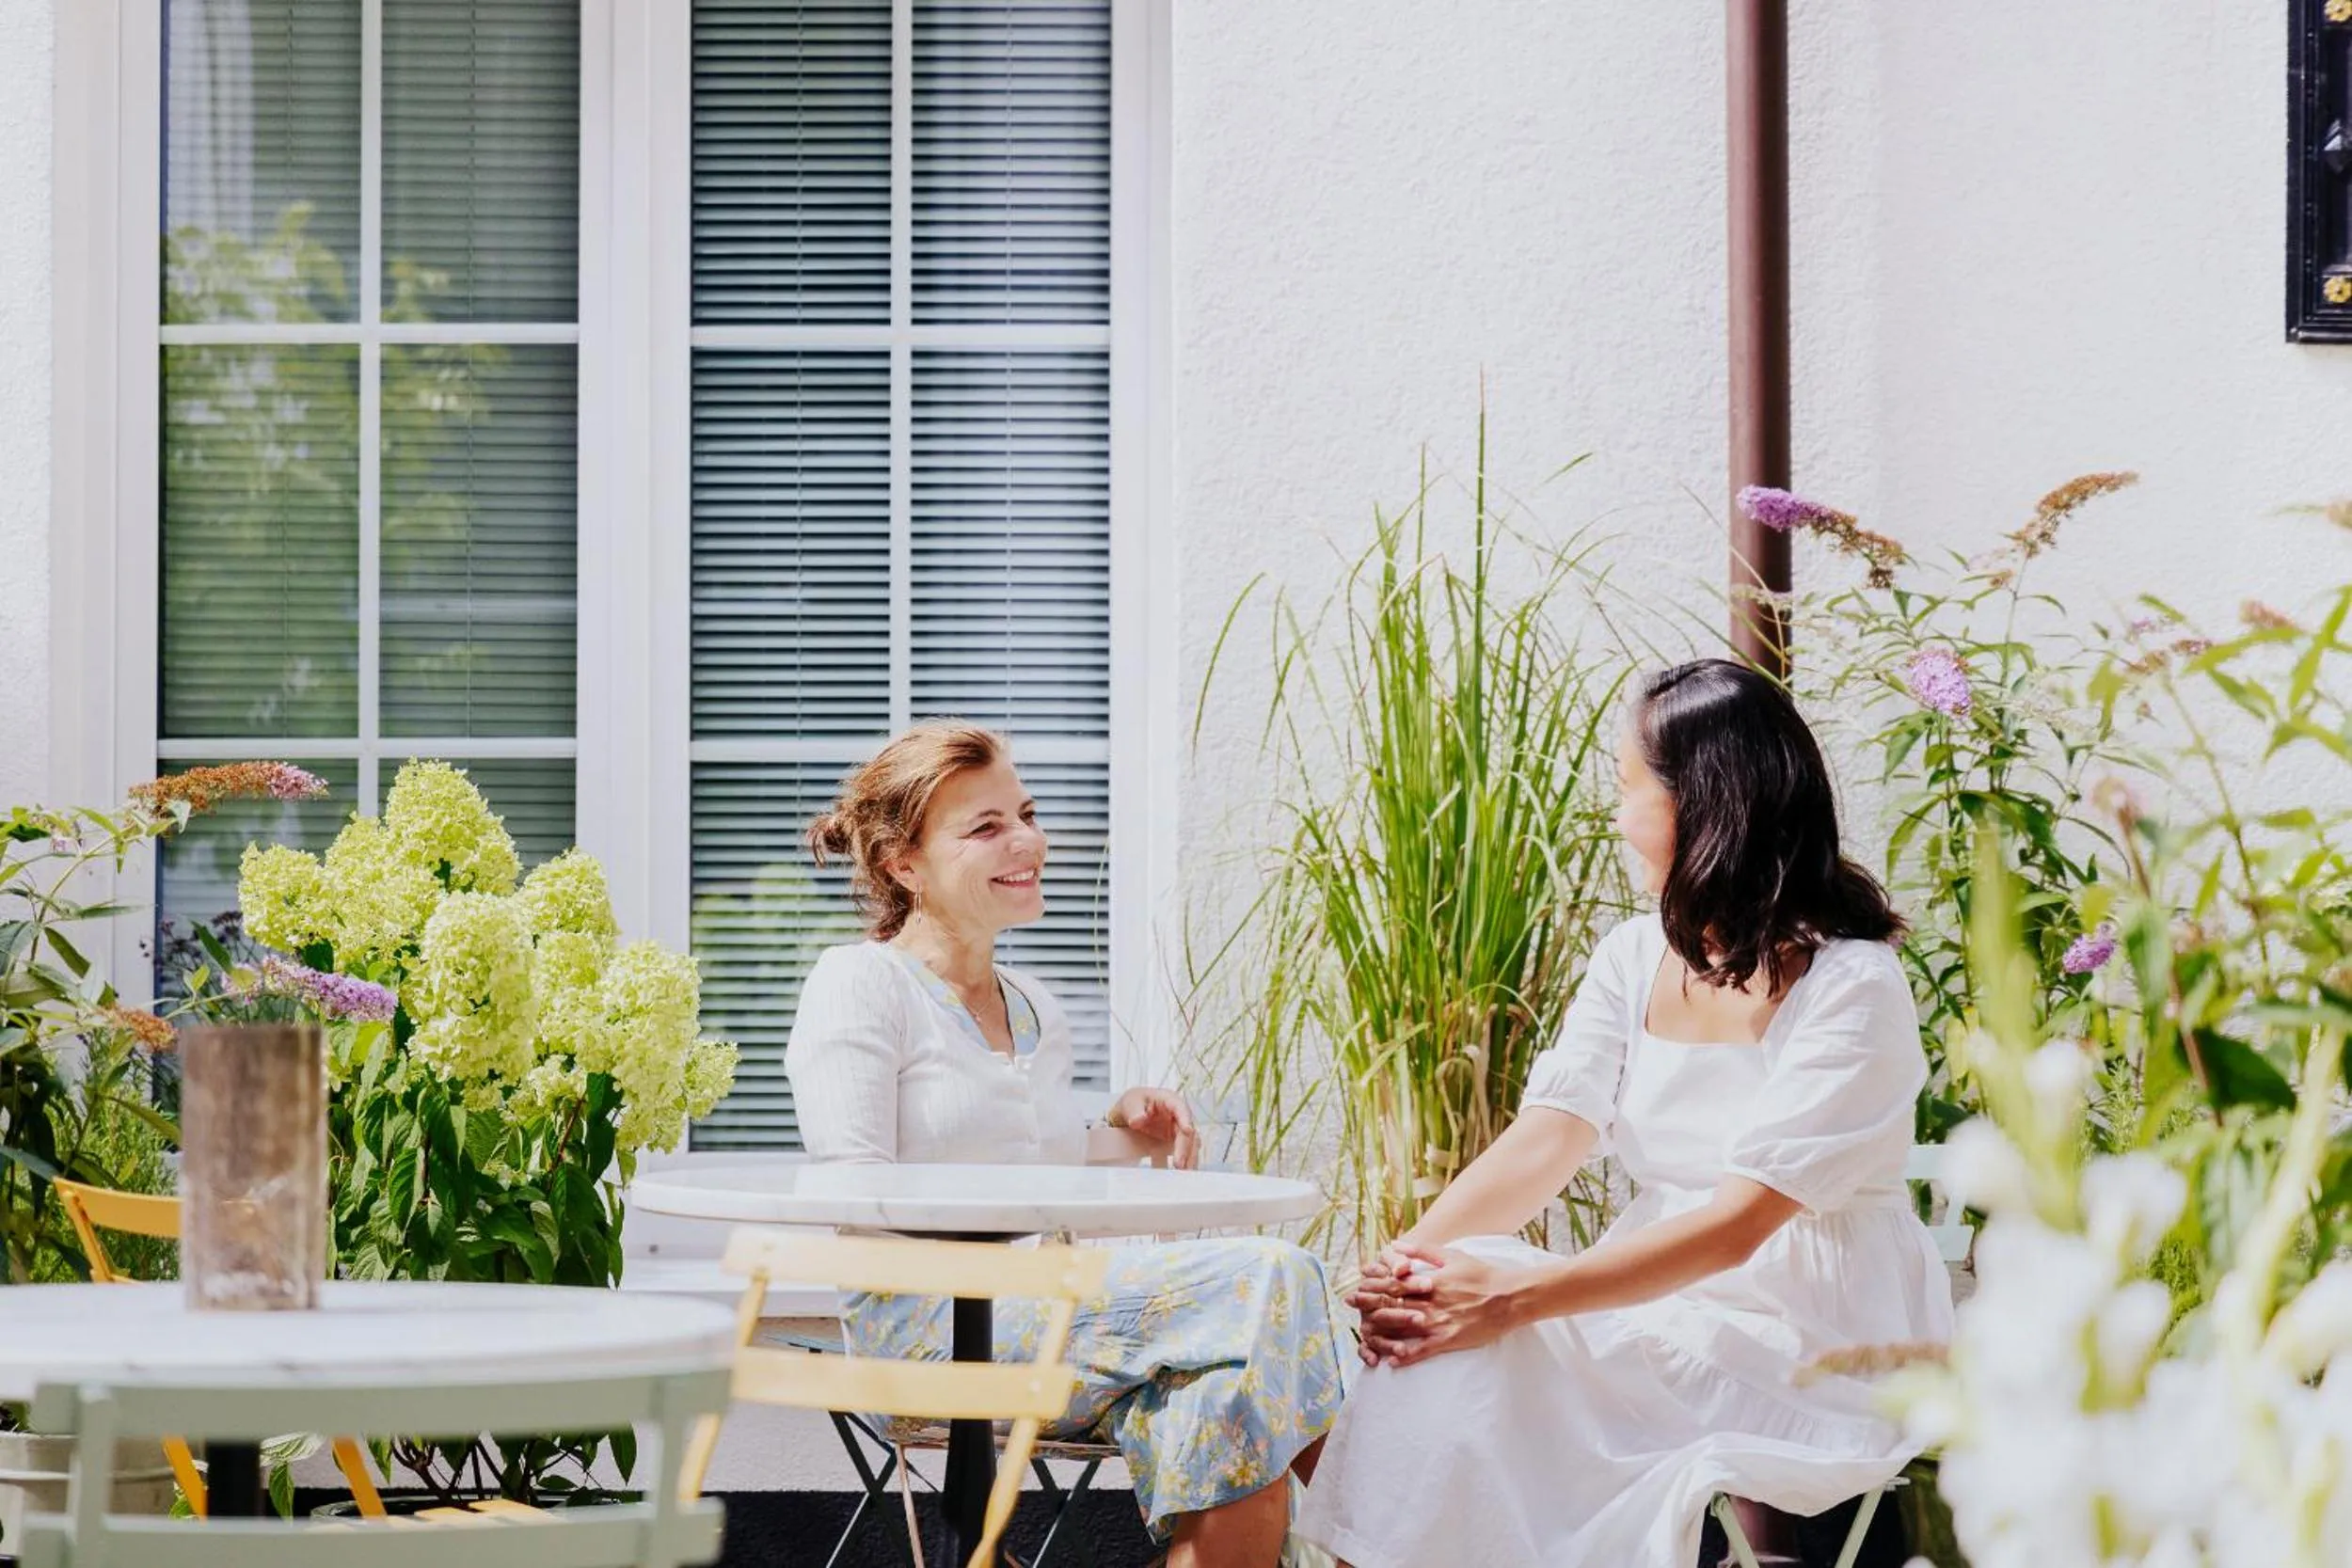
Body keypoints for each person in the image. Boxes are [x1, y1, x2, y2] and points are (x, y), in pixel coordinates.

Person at [1295, 658, 1955, 1568]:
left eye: (1626, 785)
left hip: (1809, 1335)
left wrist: (1511, 1298)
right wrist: (1407, 1269)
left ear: (1703, 803)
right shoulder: (1636, 952)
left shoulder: (1854, 985)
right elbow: (1548, 1136)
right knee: (1438, 1330)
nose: (1614, 815)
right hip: (1660, 1300)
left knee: (1483, 1340)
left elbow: (1738, 1226)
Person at [786, 721, 1343, 1567]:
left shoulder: (1035, 1004)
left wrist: (1120, 1133)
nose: (1028, 840)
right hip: (928, 1322)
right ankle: (1384, 1541)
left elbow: (1027, 1160)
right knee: (1275, 1273)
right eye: (986, 827)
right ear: (904, 864)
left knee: (1225, 1391)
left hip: (1047, 1308)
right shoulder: (860, 984)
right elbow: (852, 1185)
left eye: (1027, 812)